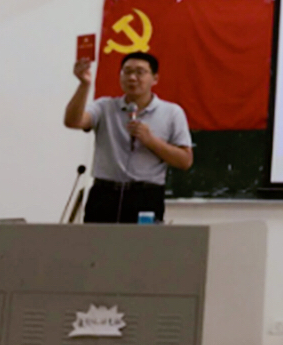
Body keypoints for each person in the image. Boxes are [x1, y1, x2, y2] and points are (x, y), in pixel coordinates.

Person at [64, 52, 193, 223]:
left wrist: (150, 140)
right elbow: (73, 121)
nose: (132, 77)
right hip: (104, 194)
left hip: (146, 195)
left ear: (155, 78)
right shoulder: (104, 107)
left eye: (140, 72)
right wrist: (84, 84)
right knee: (97, 241)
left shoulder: (171, 112)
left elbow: (185, 161)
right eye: (127, 72)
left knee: (141, 241)